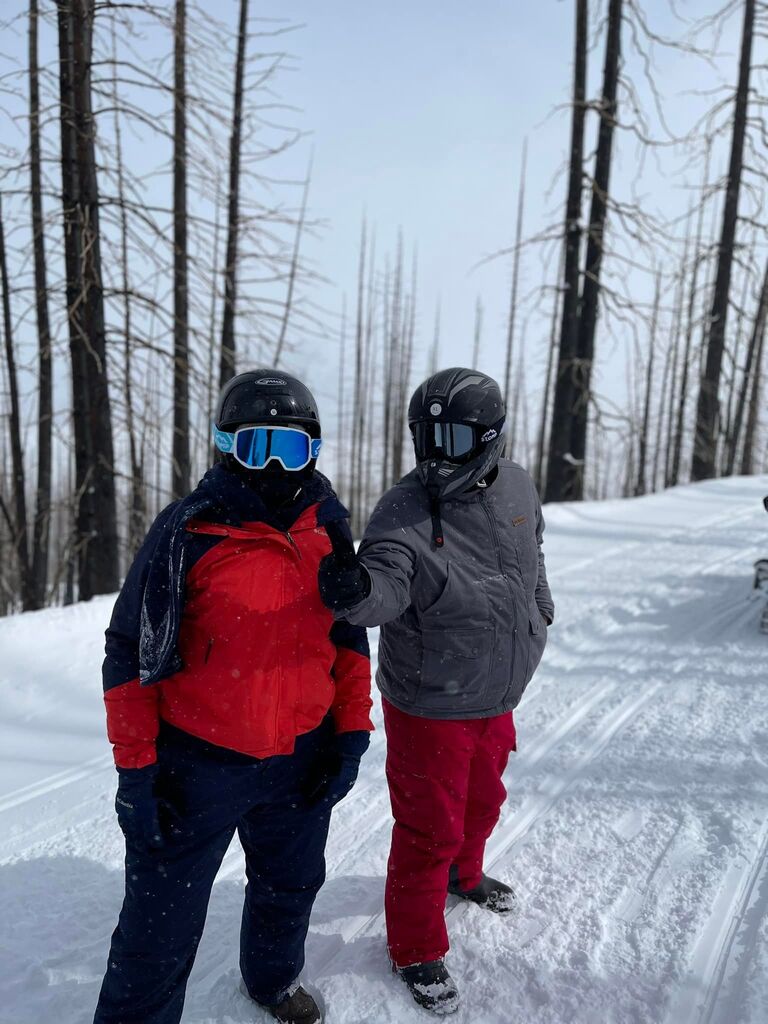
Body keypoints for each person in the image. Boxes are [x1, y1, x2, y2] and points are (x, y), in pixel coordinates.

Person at [94, 370, 373, 1024]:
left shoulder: (327, 530)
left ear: (315, 451)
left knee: (291, 886)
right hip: (198, 767)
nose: (275, 465)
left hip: (301, 758)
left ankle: (273, 982)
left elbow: (350, 642)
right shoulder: (186, 532)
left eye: (293, 448)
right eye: (257, 447)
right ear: (226, 448)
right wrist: (136, 772)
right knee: (158, 929)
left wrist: (352, 736)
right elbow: (127, 651)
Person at [318, 367, 554, 1015]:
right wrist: (358, 592)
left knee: (484, 799)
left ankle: (465, 875)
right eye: (426, 435)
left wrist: (541, 609)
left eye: (451, 437)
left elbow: (533, 551)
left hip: (498, 689)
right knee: (428, 826)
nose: (435, 453)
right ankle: (415, 947)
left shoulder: (518, 485)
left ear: (490, 439)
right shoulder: (404, 508)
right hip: (430, 702)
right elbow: (387, 579)